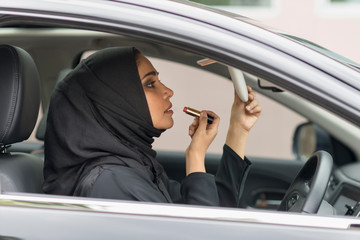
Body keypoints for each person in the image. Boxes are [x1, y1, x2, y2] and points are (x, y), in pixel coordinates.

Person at [42, 46, 261, 207]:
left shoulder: (135, 165)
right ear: (115, 102)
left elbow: (215, 209)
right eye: (149, 84)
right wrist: (195, 156)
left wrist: (238, 129)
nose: (168, 91)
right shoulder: (112, 182)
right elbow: (203, 233)